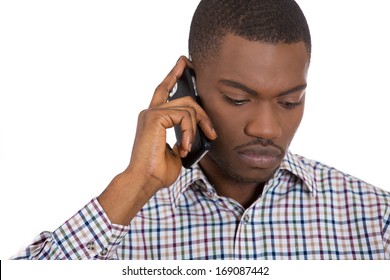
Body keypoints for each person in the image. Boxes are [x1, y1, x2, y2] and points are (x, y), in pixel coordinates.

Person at [11, 0, 390, 260]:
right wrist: (134, 186)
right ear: (188, 86)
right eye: (238, 99)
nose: (267, 128)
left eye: (290, 102)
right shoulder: (119, 225)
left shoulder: (375, 219)